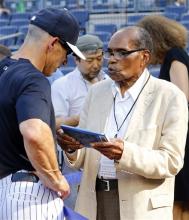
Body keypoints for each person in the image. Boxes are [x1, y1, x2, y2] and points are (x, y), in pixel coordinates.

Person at [57, 26, 188, 220]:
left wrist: (125, 153)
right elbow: (83, 155)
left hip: (140, 207)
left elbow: (171, 162)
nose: (112, 59)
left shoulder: (169, 96)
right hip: (93, 202)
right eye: (110, 52)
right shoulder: (96, 93)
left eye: (122, 53)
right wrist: (71, 149)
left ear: (144, 57)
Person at [0, 7, 85, 219]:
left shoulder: (4, 69)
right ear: (53, 43)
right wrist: (56, 178)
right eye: (67, 53)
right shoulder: (33, 78)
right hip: (27, 194)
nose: (65, 61)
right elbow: (33, 132)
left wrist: (53, 133)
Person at [137, 14, 189, 220]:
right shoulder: (176, 55)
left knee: (179, 199)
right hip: (182, 135)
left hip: (183, 138)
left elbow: (182, 97)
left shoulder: (175, 57)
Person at [51, 34, 108, 129]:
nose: (95, 65)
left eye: (99, 59)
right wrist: (77, 120)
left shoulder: (110, 82)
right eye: (89, 61)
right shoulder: (62, 86)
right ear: (77, 59)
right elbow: (53, 123)